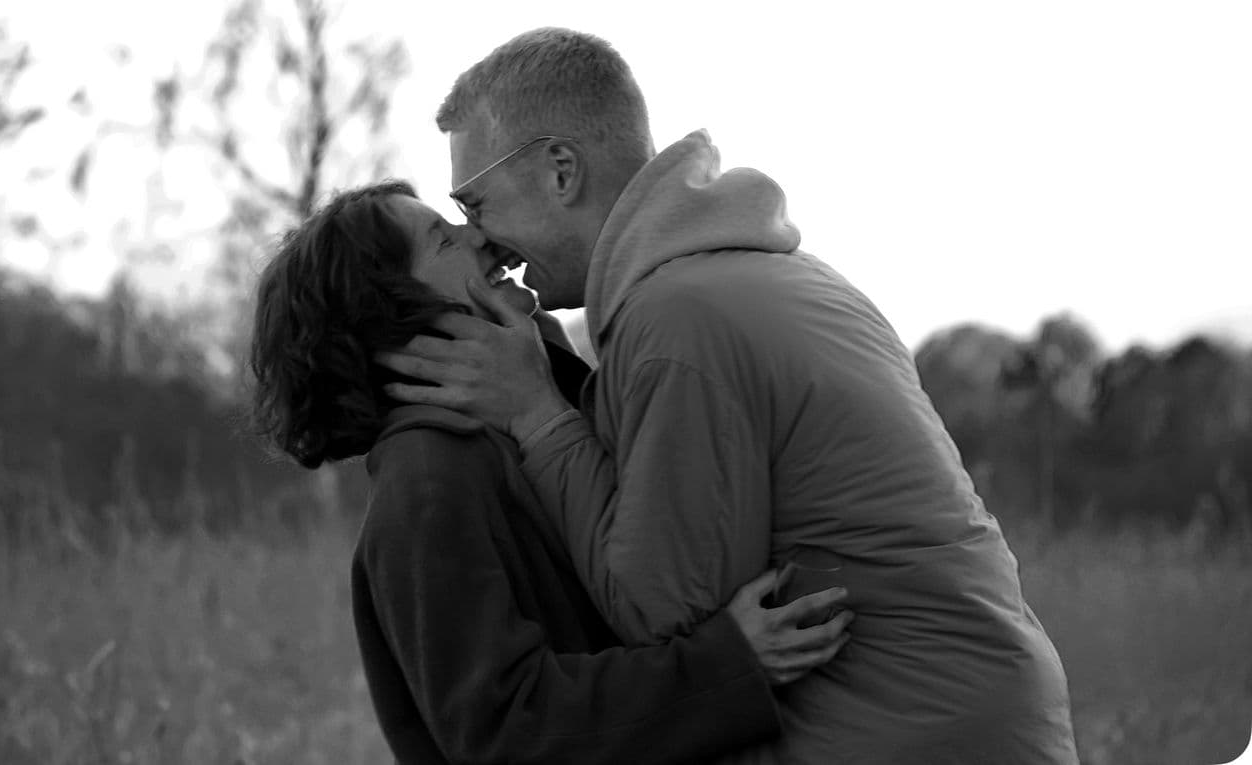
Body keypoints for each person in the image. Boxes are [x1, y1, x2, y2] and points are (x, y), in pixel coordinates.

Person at [377, 28, 1081, 764]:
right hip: (961, 716)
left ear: (560, 170)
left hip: (908, 731)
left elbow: (663, 613)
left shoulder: (678, 318)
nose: (480, 238)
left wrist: (536, 414)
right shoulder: (764, 275)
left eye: (474, 201)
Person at [247, 180, 855, 764]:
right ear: (391, 316)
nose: (479, 237)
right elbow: (505, 723)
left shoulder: (516, 424)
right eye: (442, 239)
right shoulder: (429, 478)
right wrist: (728, 664)